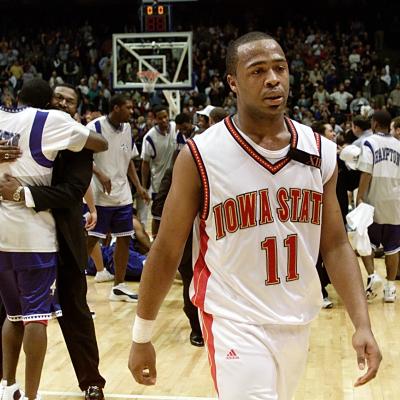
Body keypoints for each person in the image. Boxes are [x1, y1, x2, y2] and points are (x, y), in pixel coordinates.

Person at [128, 32, 381, 400]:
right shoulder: (201, 156)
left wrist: (362, 323)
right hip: (232, 318)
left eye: (279, 68)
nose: (273, 79)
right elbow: (166, 250)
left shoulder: (320, 151)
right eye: (258, 70)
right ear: (233, 82)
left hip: (296, 318)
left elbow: (336, 243)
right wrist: (141, 336)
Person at [0, 79, 107, 400]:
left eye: (68, 100)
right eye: (57, 97)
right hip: (30, 235)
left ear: (76, 108)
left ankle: (91, 382)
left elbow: (71, 192)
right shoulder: (31, 129)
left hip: (63, 237)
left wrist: (22, 192)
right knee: (13, 314)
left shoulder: (75, 142)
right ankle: (10, 385)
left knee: (75, 312)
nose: (61, 103)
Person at [87, 94, 149, 302]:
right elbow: (82, 159)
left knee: (124, 237)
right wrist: (99, 173)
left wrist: (138, 186)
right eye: (128, 108)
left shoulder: (128, 129)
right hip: (100, 196)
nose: (132, 111)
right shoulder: (94, 127)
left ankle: (119, 286)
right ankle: (70, 281)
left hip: (122, 195)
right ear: (115, 108)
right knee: (90, 240)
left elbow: (129, 160)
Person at [357, 110, 400, 302]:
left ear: (374, 124)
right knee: (393, 247)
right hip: (396, 201)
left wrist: (359, 197)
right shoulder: (399, 145)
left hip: (374, 199)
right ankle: (390, 289)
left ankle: (372, 276)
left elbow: (366, 171)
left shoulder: (370, 142)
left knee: (366, 242)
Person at [141, 105, 177, 237]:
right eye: (160, 118)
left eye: (166, 117)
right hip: (158, 183)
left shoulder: (175, 127)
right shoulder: (149, 137)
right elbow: (145, 164)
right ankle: (154, 242)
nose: (164, 120)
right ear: (155, 119)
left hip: (176, 180)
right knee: (157, 216)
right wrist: (144, 186)